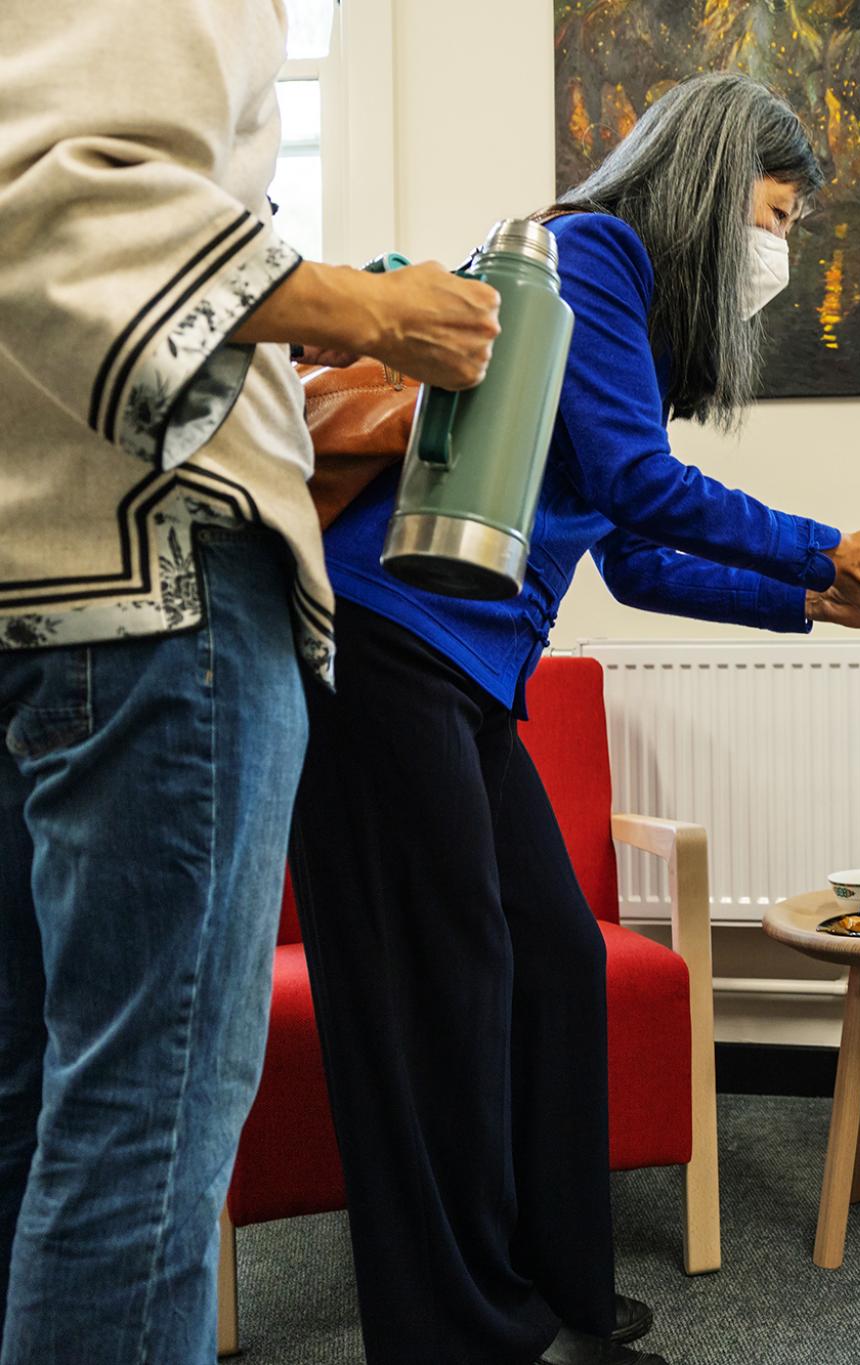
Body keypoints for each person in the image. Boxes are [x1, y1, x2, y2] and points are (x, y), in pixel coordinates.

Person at [286, 72, 860, 1365]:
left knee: (550, 961)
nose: (779, 247)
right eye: (775, 214)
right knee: (437, 1001)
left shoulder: (628, 331)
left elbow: (639, 555)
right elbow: (639, 484)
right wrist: (833, 546)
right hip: (383, 651)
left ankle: (555, 1288)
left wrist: (822, 601)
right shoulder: (591, 252)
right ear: (716, 195)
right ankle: (468, 1337)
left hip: (462, 675)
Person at [0, 4, 499, 1362]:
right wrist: (371, 307)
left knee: (34, 1109)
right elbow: (68, 185)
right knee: (139, 1134)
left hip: (30, 576)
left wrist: (275, 322)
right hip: (149, 585)